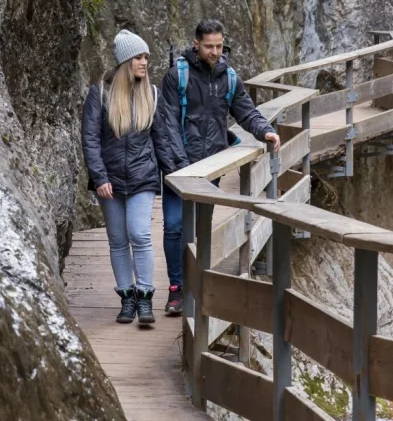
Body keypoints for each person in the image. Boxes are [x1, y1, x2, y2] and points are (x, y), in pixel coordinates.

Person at [158, 19, 281, 315]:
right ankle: (176, 290)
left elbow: (245, 110)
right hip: (179, 167)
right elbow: (166, 124)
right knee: (175, 226)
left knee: (201, 228)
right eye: (209, 46)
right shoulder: (178, 76)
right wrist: (181, 168)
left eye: (219, 46)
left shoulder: (229, 77)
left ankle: (196, 285)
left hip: (211, 167)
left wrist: (264, 130)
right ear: (196, 43)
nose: (215, 52)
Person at [82, 29, 179, 325]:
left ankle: (146, 297)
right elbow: (90, 139)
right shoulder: (101, 93)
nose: (144, 62)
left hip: (142, 177)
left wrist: (174, 175)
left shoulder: (152, 93)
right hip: (109, 179)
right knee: (117, 239)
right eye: (139, 57)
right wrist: (99, 177)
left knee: (139, 234)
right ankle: (127, 297)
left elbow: (162, 137)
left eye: (147, 57)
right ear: (125, 61)